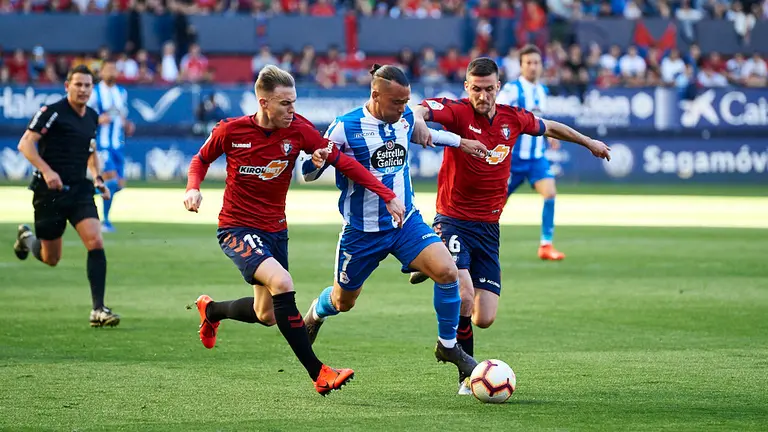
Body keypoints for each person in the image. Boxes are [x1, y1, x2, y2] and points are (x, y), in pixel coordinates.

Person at [183, 65, 405, 396]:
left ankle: (211, 310)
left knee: (266, 313)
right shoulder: (231, 131)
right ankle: (320, 373)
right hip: (237, 228)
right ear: (263, 102)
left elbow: (343, 162)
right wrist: (193, 187)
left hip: (275, 230)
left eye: (294, 102)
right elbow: (200, 159)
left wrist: (387, 195)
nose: (292, 110)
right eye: (285, 103)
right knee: (283, 283)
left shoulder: (299, 131)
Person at [408, 57, 611, 394]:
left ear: (498, 87)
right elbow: (422, 109)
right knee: (464, 296)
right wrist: (417, 120)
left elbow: (550, 126)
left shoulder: (511, 119)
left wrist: (589, 142)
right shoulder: (457, 112)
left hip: (489, 228)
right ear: (467, 88)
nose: (482, 96)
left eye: (488, 89)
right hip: (453, 218)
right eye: (476, 89)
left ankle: (429, 261)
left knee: (483, 317)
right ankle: (465, 375)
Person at [300, 64, 490, 385]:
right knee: (343, 302)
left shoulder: (403, 119)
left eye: (407, 102)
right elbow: (308, 171)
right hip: (362, 233)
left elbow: (427, 134)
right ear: (375, 95)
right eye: (397, 103)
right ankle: (315, 314)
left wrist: (462, 143)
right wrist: (314, 164)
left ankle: (447, 346)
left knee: (447, 272)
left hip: (405, 224)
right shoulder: (345, 127)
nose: (404, 109)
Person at [12, 65, 120, 328]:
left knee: (95, 241)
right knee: (51, 258)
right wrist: (47, 171)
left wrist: (97, 178)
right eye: (78, 85)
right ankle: (27, 240)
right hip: (49, 193)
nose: (82, 90)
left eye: (87, 86)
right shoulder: (52, 112)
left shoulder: (92, 116)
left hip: (80, 190)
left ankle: (98, 309)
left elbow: (91, 150)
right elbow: (25, 143)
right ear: (67, 86)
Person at [496, 45, 565, 260]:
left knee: (550, 194)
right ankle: (480, 241)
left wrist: (550, 136)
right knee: (494, 205)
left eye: (536, 63)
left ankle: (546, 245)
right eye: (528, 63)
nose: (533, 67)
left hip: (536, 157)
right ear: (521, 65)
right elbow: (496, 114)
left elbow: (540, 121)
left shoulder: (542, 91)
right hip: (512, 159)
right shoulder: (512, 90)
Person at [88, 59, 134, 233]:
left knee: (119, 184)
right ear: (101, 72)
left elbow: (122, 116)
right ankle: (104, 221)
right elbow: (86, 115)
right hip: (102, 145)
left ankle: (82, 195)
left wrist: (127, 124)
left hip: (118, 145)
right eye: (108, 69)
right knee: (112, 182)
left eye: (114, 69)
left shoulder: (121, 92)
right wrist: (98, 120)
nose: (111, 73)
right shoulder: (95, 92)